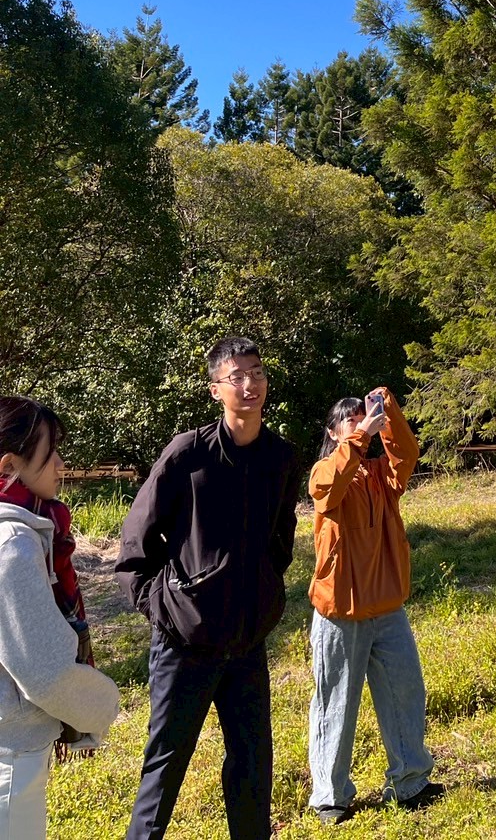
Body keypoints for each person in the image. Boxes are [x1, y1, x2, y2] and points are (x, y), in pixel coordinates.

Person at [115, 337, 299, 840]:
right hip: (185, 645)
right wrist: (166, 608)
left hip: (246, 644)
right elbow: (137, 541)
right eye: (236, 376)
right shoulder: (188, 453)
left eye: (256, 372)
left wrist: (265, 599)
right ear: (215, 389)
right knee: (164, 769)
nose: (249, 384)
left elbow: (281, 542)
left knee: (253, 767)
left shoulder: (280, 457)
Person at [307, 389, 441, 824]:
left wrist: (390, 409)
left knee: (405, 693)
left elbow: (407, 451)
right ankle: (331, 796)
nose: (361, 421)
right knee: (336, 705)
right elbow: (328, 488)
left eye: (364, 415)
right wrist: (361, 436)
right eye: (350, 419)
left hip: (387, 607)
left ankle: (411, 782)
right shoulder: (326, 470)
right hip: (339, 612)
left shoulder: (383, 476)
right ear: (333, 432)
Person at [0, 396, 120, 840]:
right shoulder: (12, 542)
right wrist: (102, 706)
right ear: (10, 464)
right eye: (50, 453)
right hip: (10, 753)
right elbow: (45, 672)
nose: (60, 463)